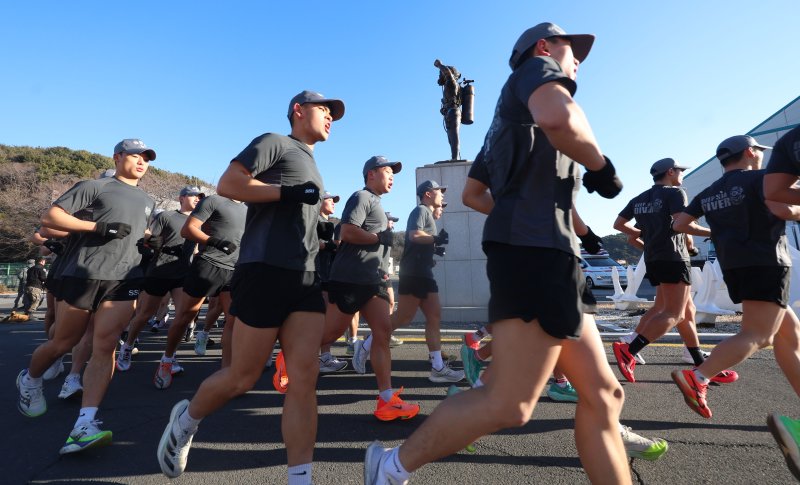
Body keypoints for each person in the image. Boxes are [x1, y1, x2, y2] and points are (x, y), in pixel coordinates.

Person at [363, 22, 634, 484]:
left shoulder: (502, 124)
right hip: (535, 254)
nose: (577, 62)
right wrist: (601, 165)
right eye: (574, 51)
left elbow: (472, 194)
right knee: (511, 404)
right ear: (544, 47)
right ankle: (390, 466)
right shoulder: (537, 71)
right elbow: (560, 117)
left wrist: (525, 217)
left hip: (546, 250)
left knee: (604, 395)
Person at [156, 90, 343, 484]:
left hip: (306, 276)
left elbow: (291, 211)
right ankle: (185, 423)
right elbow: (229, 183)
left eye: (332, 113)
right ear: (298, 110)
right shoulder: (275, 141)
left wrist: (321, 228)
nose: (330, 117)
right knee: (242, 376)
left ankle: (300, 476)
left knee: (304, 379)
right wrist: (287, 193)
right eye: (323, 109)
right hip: (264, 271)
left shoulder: (312, 162)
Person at [16, 138, 156, 455]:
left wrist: (150, 243)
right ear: (118, 157)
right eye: (135, 155)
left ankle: (85, 424)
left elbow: (137, 231)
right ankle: (30, 378)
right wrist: (97, 228)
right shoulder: (95, 186)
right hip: (82, 274)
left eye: (146, 157)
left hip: (124, 278)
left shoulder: (148, 200)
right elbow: (52, 218)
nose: (142, 161)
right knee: (64, 342)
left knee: (104, 345)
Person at [611, 158, 737, 385]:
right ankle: (629, 349)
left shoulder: (640, 198)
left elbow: (619, 225)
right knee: (675, 313)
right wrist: (716, 232)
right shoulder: (675, 193)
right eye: (680, 171)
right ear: (670, 172)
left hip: (654, 259)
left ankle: (698, 359)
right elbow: (683, 224)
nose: (682, 175)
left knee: (686, 309)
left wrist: (648, 240)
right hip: (674, 257)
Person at [319, 155, 421, 422]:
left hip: (372, 279)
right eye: (388, 171)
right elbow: (348, 232)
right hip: (350, 277)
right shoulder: (361, 197)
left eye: (393, 173)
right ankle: (290, 358)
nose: (392, 177)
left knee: (383, 332)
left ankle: (386, 399)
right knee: (329, 333)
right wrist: (379, 237)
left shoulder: (377, 203)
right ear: (371, 174)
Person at [152, 193, 246, 387]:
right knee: (185, 316)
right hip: (208, 265)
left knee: (233, 321)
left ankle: (227, 372)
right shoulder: (214, 200)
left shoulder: (249, 209)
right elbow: (188, 230)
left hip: (234, 270)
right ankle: (167, 360)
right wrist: (214, 242)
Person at [377, 179, 464, 383]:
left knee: (434, 316)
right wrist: (435, 240)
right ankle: (368, 344)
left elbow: (417, 243)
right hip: (414, 273)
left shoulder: (428, 215)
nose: (442, 195)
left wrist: (431, 254)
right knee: (404, 317)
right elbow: (414, 235)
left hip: (422, 272)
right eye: (439, 191)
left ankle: (437, 367)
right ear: (427, 194)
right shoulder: (421, 211)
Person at [116, 185, 203, 371]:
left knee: (183, 316)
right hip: (160, 270)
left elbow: (196, 246)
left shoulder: (199, 221)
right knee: (145, 314)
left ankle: (169, 357)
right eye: (193, 195)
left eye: (199, 197)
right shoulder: (167, 216)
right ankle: (127, 346)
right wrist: (152, 241)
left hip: (183, 272)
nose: (197, 199)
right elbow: (148, 234)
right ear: (181, 198)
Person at [761, 125, 800, 479]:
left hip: (738, 266)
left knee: (787, 333)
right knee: (763, 335)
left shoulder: (792, 139)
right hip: (771, 262)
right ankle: (698, 372)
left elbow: (775, 194)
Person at [434, 59, 463, 160]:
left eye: (441, 74)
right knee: (451, 137)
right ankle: (454, 157)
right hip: (449, 112)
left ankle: (455, 158)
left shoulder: (451, 82)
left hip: (453, 112)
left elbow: (448, 73)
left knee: (454, 135)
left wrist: (439, 65)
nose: (440, 76)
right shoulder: (449, 84)